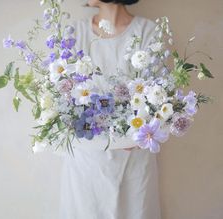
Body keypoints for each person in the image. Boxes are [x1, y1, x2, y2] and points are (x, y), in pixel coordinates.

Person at [59, 0, 161, 218]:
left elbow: (156, 97)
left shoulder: (147, 32)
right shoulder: (75, 33)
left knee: (135, 210)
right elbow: (64, 93)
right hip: (86, 160)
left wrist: (131, 135)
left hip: (134, 157)